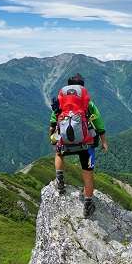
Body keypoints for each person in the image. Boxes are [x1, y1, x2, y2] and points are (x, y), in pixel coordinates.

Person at [48, 73, 108, 217]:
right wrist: (104, 141)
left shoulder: (60, 102)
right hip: (86, 145)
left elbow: (53, 122)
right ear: (82, 87)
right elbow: (99, 123)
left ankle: (60, 182)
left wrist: (52, 137)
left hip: (65, 142)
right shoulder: (88, 103)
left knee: (58, 154)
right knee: (88, 174)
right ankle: (87, 205)